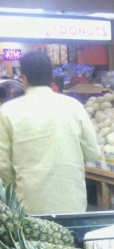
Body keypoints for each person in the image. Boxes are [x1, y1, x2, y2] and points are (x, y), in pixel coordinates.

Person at [0, 51, 99, 215]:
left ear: (23, 78)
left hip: (29, 208)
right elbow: (93, 153)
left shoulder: (8, 111)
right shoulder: (73, 106)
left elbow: (3, 166)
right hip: (73, 207)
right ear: (51, 77)